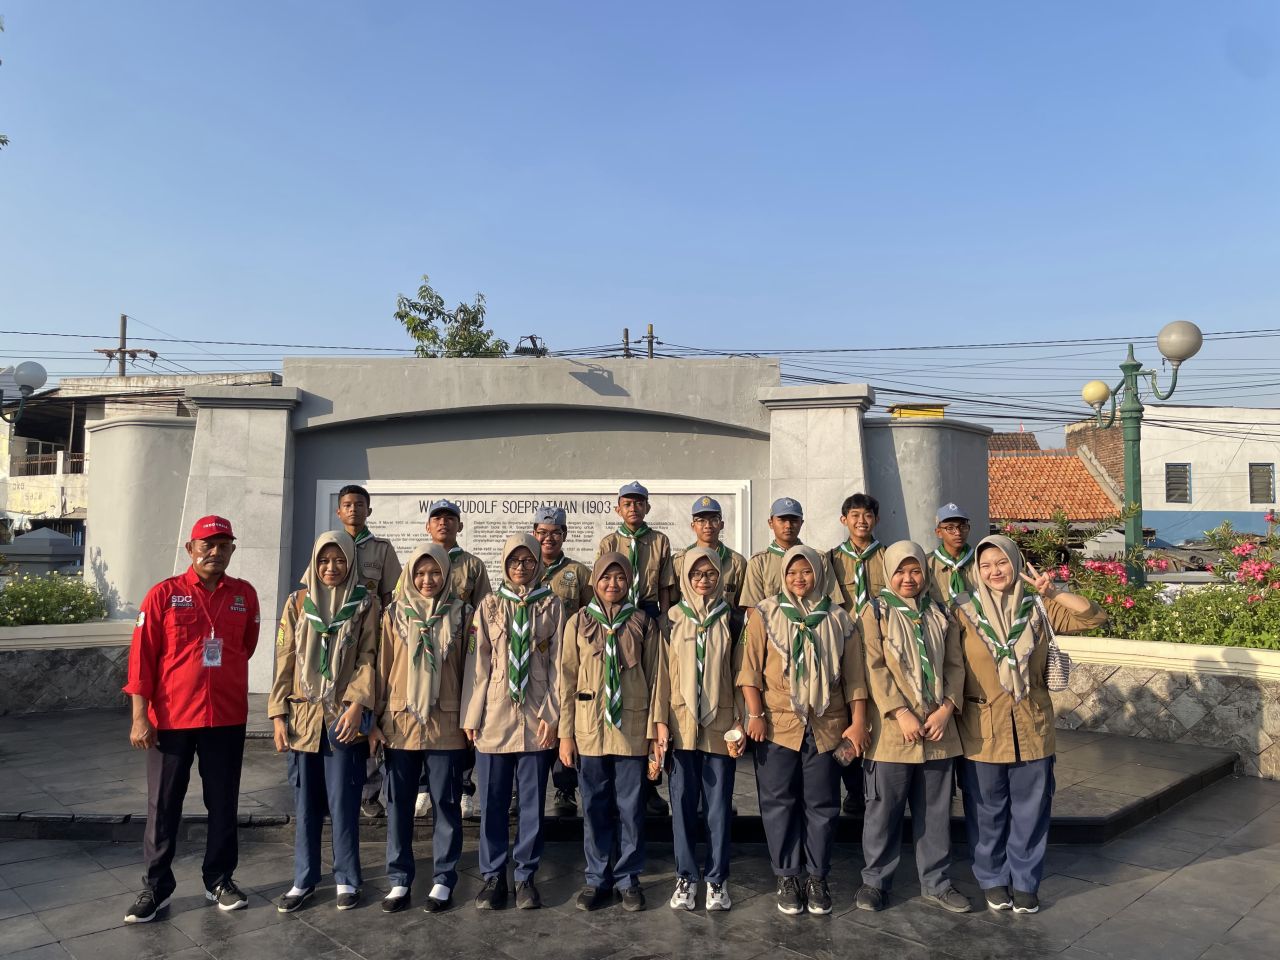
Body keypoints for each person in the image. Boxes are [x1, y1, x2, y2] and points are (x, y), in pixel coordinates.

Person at [954, 535, 1107, 915]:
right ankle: (991, 878)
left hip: (1032, 725)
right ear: (977, 570)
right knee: (986, 810)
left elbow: (1094, 617)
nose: (994, 572)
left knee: (1031, 809)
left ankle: (1025, 880)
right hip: (983, 727)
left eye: (1001, 562)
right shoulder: (961, 611)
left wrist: (1054, 592)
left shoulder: (1037, 607)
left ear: (1015, 563)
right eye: (986, 565)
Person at [122, 515, 260, 923]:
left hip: (226, 716)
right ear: (190, 549)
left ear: (232, 549)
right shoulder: (164, 595)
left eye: (223, 545)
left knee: (223, 802)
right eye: (207, 545)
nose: (215, 552)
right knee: (163, 804)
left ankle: (219, 878)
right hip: (170, 718)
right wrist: (138, 717)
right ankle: (156, 887)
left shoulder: (244, 596)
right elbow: (141, 659)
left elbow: (245, 647)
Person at [737, 546, 868, 917]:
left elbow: (856, 678)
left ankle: (817, 876)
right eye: (793, 572)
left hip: (826, 724)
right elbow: (749, 670)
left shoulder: (839, 618)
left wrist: (857, 723)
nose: (800, 578)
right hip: (779, 724)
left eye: (806, 571)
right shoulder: (765, 614)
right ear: (783, 574)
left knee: (822, 804)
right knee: (779, 802)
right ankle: (787, 875)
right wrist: (755, 714)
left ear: (818, 575)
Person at [854, 541, 970, 915]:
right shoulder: (874, 612)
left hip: (937, 731)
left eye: (915, 570)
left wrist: (947, 708)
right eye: (901, 571)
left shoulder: (939, 612)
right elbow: (872, 666)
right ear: (888, 572)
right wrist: (900, 712)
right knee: (883, 810)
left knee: (935, 812)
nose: (908, 578)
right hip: (893, 732)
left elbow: (955, 665)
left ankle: (936, 882)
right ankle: (875, 881)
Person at [269, 530, 379, 912]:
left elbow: (368, 657)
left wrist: (357, 704)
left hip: (341, 720)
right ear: (314, 564)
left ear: (351, 562)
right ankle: (304, 879)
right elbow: (284, 659)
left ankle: (347, 878)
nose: (331, 568)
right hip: (302, 719)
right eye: (323, 561)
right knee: (306, 806)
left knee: (345, 803)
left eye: (339, 560)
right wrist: (278, 713)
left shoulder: (365, 603)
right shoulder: (298, 602)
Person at [559, 552, 670, 913]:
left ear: (629, 582)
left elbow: (657, 678)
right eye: (606, 577)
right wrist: (565, 734)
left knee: (630, 807)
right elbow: (566, 678)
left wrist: (656, 729)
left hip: (631, 729)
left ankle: (628, 878)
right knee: (594, 805)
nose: (612, 584)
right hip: (589, 728)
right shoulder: (578, 622)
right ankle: (597, 877)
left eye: (620, 577)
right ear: (595, 581)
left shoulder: (641, 622)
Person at [463, 533, 565, 910]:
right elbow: (479, 666)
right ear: (504, 564)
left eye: (528, 560)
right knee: (492, 802)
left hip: (536, 718)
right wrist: (472, 716)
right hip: (495, 718)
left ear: (538, 564)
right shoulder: (489, 606)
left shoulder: (551, 606)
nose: (521, 567)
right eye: (514, 561)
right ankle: (492, 877)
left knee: (532, 804)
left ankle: (525, 876)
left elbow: (558, 666)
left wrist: (553, 714)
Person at [370, 543, 470, 914]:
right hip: (400, 722)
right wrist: (374, 721)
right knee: (398, 805)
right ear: (410, 576)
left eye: (435, 573)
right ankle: (399, 879)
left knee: (446, 803)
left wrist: (469, 720)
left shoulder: (462, 614)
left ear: (446, 574)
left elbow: (469, 672)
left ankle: (444, 878)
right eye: (420, 573)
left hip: (446, 722)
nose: (427, 580)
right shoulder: (393, 614)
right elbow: (383, 669)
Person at [665, 547, 744, 912]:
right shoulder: (671, 619)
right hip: (681, 725)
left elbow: (741, 673)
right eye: (696, 574)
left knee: (717, 807)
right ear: (685, 578)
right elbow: (661, 678)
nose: (703, 580)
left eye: (710, 574)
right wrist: (659, 726)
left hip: (719, 724)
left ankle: (717, 880)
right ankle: (685, 876)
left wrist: (740, 720)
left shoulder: (732, 618)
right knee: (681, 804)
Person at [595, 481, 676, 817]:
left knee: (648, 695)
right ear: (618, 508)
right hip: (615, 616)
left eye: (639, 503)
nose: (633, 508)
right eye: (627, 503)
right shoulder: (609, 541)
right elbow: (601, 583)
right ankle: (616, 785)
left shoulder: (659, 540)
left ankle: (650, 785)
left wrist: (665, 622)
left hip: (648, 613)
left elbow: (666, 586)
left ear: (647, 507)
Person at [419, 498, 492, 820]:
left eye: (450, 519)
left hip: (461, 656)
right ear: (428, 526)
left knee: (466, 720)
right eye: (437, 518)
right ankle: (423, 787)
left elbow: (483, 612)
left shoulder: (472, 566)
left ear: (460, 526)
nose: (444, 523)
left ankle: (463, 787)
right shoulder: (418, 561)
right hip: (424, 654)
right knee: (422, 713)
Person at [333, 483, 403, 820]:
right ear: (339, 511)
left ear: (369, 510)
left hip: (372, 642)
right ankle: (340, 784)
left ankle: (370, 791)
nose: (354, 510)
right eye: (347, 504)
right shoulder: (329, 548)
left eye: (360, 505)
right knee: (338, 713)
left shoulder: (382, 550)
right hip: (336, 647)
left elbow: (393, 598)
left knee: (369, 711)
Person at [827, 492, 888, 815]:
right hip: (844, 652)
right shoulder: (831, 560)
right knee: (848, 718)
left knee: (879, 715)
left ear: (876, 520)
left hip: (881, 653)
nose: (861, 521)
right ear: (844, 520)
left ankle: (877, 786)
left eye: (867, 515)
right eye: (855, 515)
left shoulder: (889, 558)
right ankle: (853, 789)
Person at [532, 505, 593, 817]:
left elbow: (590, 615)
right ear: (534, 534)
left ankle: (565, 789)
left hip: (567, 658)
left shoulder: (578, 572)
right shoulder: (524, 567)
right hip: (530, 661)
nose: (548, 538)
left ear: (565, 535)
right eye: (542, 533)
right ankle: (523, 791)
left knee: (565, 720)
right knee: (531, 721)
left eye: (555, 533)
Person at [739, 497, 843, 619]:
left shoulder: (818, 558)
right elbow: (753, 608)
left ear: (801, 523)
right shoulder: (759, 562)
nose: (788, 525)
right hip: (774, 631)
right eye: (782, 520)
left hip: (813, 630)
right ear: (771, 523)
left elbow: (834, 602)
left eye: (794, 520)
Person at [672, 496, 748, 608]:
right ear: (693, 526)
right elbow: (673, 601)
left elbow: (741, 605)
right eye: (701, 520)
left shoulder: (737, 562)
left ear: (721, 525)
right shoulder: (679, 560)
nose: (708, 526)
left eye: (714, 520)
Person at [928, 503, 977, 605]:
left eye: (963, 526)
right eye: (950, 528)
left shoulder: (980, 562)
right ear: (939, 532)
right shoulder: (927, 564)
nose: (958, 532)